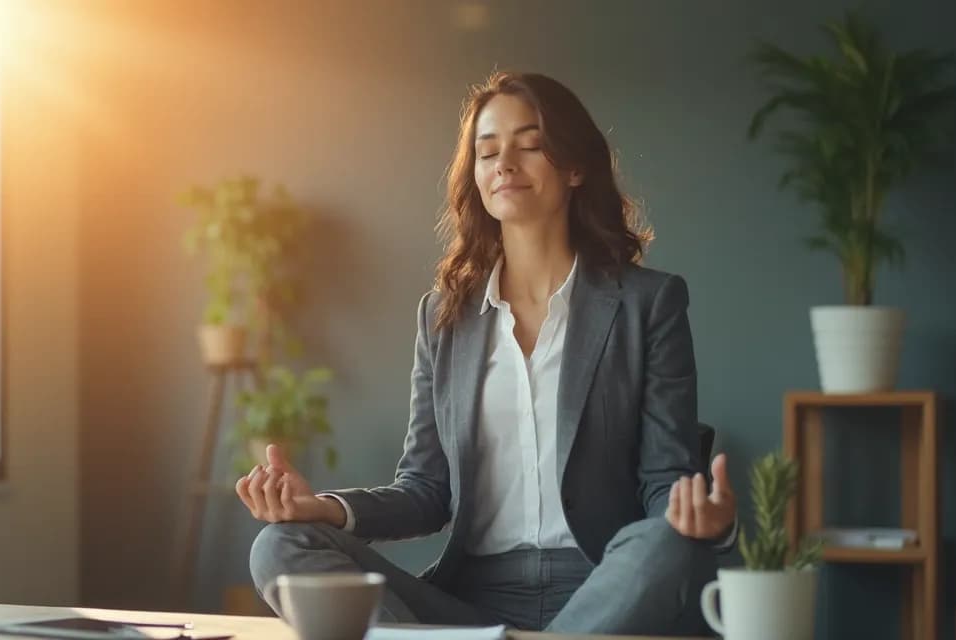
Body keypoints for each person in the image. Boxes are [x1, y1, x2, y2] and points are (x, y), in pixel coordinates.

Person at [236, 71, 738, 636]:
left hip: (605, 589)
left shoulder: (649, 303)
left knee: (665, 542)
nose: (505, 164)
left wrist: (701, 521)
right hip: (467, 600)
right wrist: (323, 508)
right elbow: (425, 491)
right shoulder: (444, 316)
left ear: (575, 167)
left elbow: (666, 481)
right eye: (488, 151)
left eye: (530, 145)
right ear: (475, 175)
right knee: (281, 544)